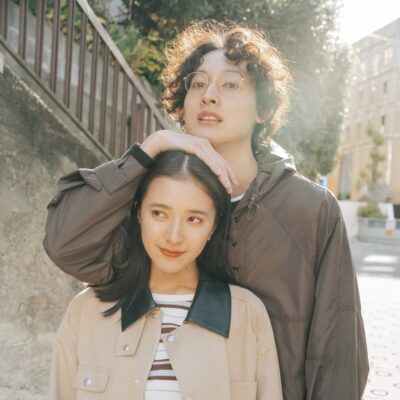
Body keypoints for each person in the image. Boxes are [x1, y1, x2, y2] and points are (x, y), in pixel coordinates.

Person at [44, 20, 369, 399]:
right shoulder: (149, 195)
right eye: (197, 84)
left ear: (263, 109)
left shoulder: (310, 209)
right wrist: (151, 148)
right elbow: (66, 243)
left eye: (230, 84)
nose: (209, 96)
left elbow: (338, 351)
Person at [48, 151, 283, 399]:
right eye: (159, 213)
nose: (173, 236)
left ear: (213, 226)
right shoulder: (86, 311)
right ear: (139, 212)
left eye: (193, 219)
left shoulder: (247, 315)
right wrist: (152, 146)